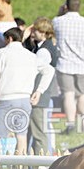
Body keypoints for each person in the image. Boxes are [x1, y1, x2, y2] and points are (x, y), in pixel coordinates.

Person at [0, 27, 55, 155]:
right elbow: (49, 70)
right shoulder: (31, 55)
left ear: (9, 39)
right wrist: (39, 91)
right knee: (21, 137)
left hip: (7, 98)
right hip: (25, 100)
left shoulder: (3, 52)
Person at [52, 0, 84, 137]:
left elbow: (52, 31)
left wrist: (60, 12)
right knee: (82, 94)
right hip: (81, 65)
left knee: (68, 94)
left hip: (64, 64)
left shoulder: (58, 21)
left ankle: (71, 123)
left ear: (66, 6)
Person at [26, 17, 59, 155]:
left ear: (44, 33)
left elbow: (35, 71)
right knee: (36, 130)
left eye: (36, 30)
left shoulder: (43, 51)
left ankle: (42, 165)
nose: (33, 32)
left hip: (39, 95)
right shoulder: (44, 47)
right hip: (42, 94)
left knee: (39, 132)